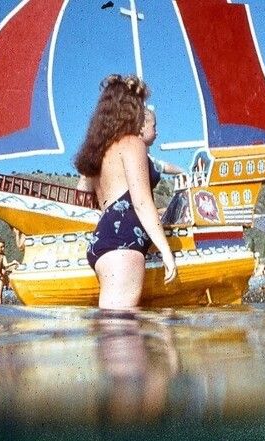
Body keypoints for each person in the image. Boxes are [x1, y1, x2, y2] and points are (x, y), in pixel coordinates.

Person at [74, 74, 177, 309]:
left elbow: (81, 195)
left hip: (105, 241)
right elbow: (141, 202)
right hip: (124, 245)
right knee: (122, 326)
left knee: (114, 326)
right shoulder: (132, 143)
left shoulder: (98, 153)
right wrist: (166, 251)